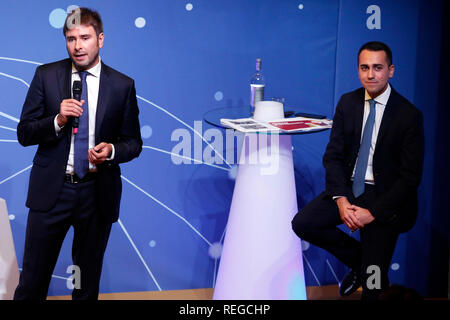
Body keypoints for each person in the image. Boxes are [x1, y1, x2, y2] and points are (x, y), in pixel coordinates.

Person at [14, 7, 142, 300]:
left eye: (85, 38)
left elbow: (133, 143)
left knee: (85, 284)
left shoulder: (123, 85)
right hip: (52, 193)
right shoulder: (46, 76)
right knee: (32, 281)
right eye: (71, 39)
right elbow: (24, 133)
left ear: (100, 39)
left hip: (96, 194)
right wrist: (57, 120)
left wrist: (111, 150)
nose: (78, 46)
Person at [291, 41, 424, 300]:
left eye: (377, 67)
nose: (371, 74)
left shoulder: (409, 115)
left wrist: (373, 212)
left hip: (386, 198)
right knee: (304, 223)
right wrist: (341, 200)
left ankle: (369, 268)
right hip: (350, 188)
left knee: (373, 283)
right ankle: (361, 263)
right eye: (364, 67)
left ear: (391, 70)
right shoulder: (347, 103)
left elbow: (410, 178)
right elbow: (333, 156)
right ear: (358, 70)